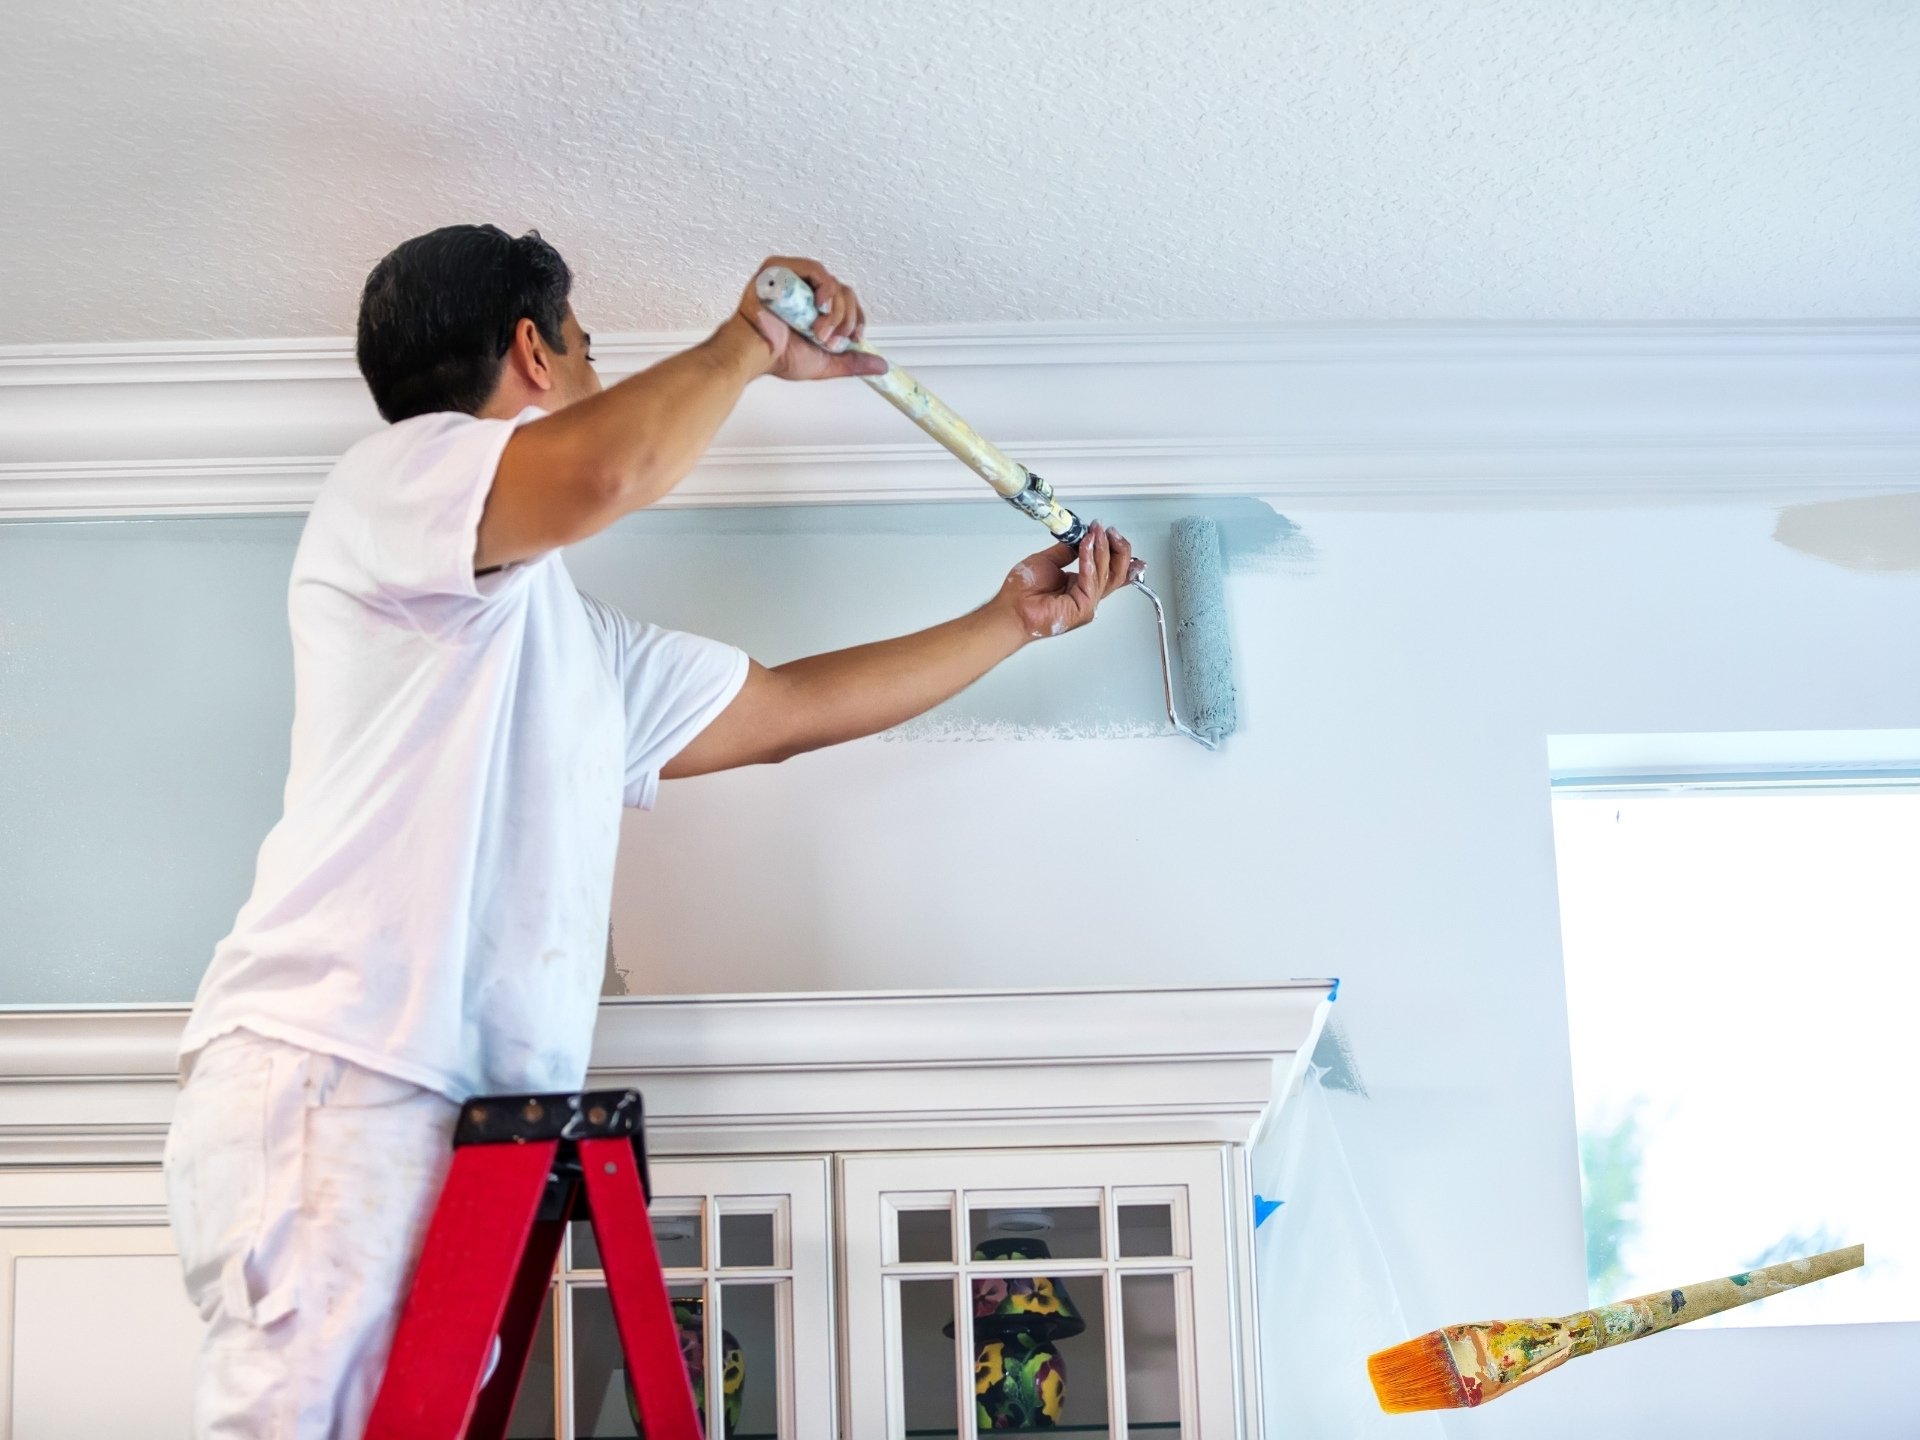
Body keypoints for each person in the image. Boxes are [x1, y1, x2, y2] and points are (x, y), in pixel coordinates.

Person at [162, 225, 1136, 1438]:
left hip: (459, 1119)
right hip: (343, 1068)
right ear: (532, 351)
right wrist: (748, 344)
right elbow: (604, 475)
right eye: (585, 349)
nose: (594, 372)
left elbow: (782, 711)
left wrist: (1011, 623)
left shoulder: (562, 646)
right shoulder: (394, 481)